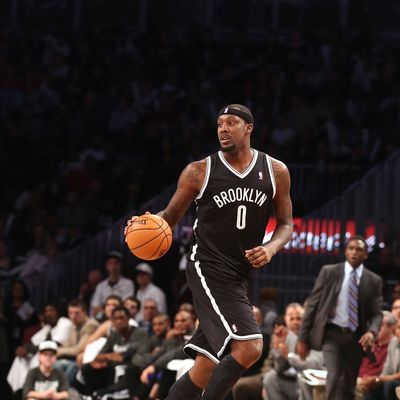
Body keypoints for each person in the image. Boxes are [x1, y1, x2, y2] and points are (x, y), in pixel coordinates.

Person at [125, 104, 293, 400]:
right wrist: (144, 224)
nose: (223, 129)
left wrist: (271, 247)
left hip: (241, 274)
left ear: (248, 128)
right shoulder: (199, 171)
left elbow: (286, 224)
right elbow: (170, 217)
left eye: (231, 123)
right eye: (219, 124)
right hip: (207, 266)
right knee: (251, 346)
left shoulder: (275, 171)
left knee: (205, 367)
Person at [297, 235, 383, 400]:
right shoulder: (329, 272)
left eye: (359, 249)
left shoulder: (374, 280)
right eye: (351, 248)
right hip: (332, 334)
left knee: (349, 384)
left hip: (357, 337)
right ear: (345, 252)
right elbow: (312, 306)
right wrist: (303, 338)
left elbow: (377, 313)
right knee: (335, 375)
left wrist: (371, 332)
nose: (354, 252)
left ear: (366, 254)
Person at [54, 300, 99, 384]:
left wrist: (58, 351)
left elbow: (79, 349)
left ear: (84, 312)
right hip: (75, 359)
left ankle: (63, 392)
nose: (73, 316)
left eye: (77, 313)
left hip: (87, 360)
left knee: (67, 366)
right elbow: (68, 345)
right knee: (54, 364)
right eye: (70, 313)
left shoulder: (91, 325)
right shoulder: (73, 325)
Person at [90, 251, 134, 319]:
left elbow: (127, 306)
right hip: (102, 318)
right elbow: (94, 308)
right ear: (106, 266)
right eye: (110, 263)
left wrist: (105, 308)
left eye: (116, 263)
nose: (113, 266)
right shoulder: (101, 286)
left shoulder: (128, 284)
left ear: (121, 265)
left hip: (121, 318)